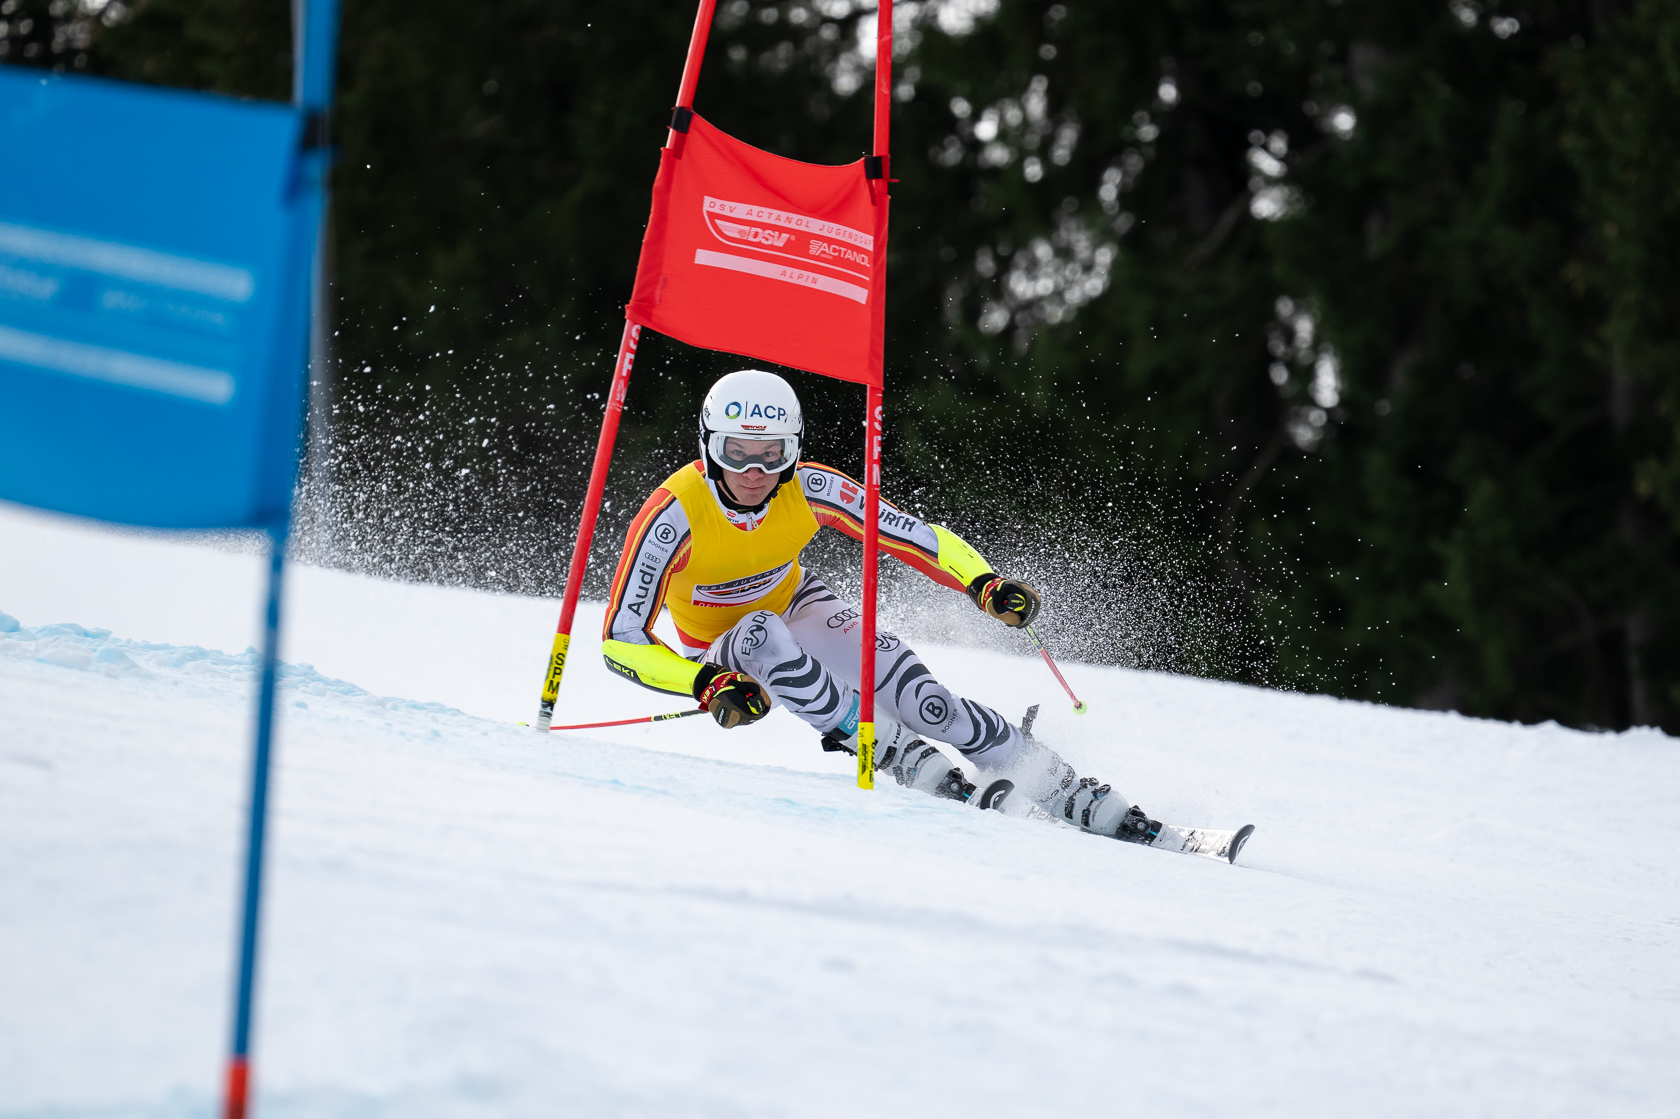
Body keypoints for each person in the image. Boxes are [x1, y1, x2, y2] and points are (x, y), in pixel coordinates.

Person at [601, 369, 1160, 845]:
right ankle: (897, 754)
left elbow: (912, 537)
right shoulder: (673, 516)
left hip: (798, 601)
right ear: (708, 446)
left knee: (924, 699)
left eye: (772, 455)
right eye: (736, 453)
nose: (754, 473)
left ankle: (1058, 783)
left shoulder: (809, 487)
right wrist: (703, 682)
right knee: (763, 632)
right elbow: (620, 640)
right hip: (725, 652)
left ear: (791, 451)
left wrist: (981, 582)